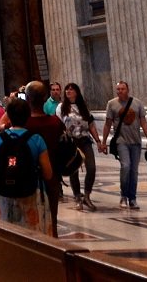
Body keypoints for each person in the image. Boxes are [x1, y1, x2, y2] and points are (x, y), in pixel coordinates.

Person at [0, 97, 52, 234]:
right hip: (30, 194)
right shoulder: (36, 139)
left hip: (5, 194)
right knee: (31, 233)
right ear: (28, 116)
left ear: (8, 116)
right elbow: (48, 173)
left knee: (6, 234)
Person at [101, 80, 147, 209]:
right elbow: (107, 124)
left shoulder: (137, 103)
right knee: (126, 166)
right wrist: (103, 142)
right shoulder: (111, 104)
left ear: (127, 89)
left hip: (135, 141)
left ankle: (132, 198)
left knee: (134, 171)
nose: (120, 91)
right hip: (121, 141)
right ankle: (123, 195)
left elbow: (143, 121)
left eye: (122, 89)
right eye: (118, 89)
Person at [24, 80, 65, 235]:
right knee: (52, 219)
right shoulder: (56, 122)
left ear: (27, 98)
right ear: (45, 98)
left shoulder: (23, 124)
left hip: (28, 178)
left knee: (29, 221)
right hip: (52, 176)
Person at [58, 82, 99, 211]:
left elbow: (91, 124)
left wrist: (98, 140)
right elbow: (59, 124)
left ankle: (87, 195)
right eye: (67, 89)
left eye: (71, 89)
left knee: (91, 167)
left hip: (85, 140)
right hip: (71, 141)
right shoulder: (61, 107)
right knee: (73, 170)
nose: (68, 91)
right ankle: (77, 197)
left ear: (77, 92)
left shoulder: (83, 106)